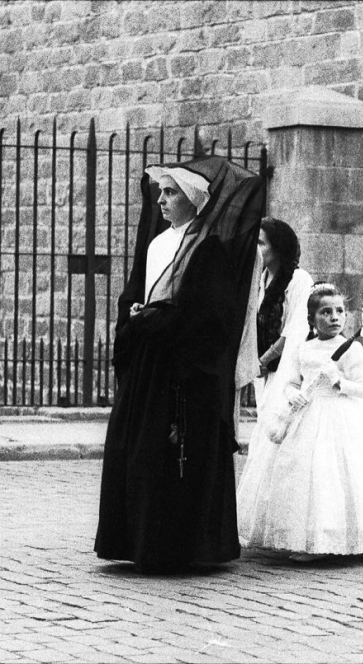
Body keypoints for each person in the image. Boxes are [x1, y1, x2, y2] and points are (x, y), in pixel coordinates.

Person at [95, 156, 263, 572]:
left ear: (193, 200)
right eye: (161, 192)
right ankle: (138, 541)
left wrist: (154, 319)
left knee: (174, 450)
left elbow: (208, 313)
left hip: (184, 366)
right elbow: (140, 292)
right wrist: (135, 316)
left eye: (171, 193)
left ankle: (181, 547)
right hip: (149, 360)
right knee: (136, 447)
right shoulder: (157, 243)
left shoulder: (209, 247)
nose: (161, 200)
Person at [237, 283, 363, 562]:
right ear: (312, 319)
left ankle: (345, 537)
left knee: (336, 474)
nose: (334, 317)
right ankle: (310, 539)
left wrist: (339, 382)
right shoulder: (303, 349)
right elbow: (291, 381)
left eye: (339, 311)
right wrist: (292, 394)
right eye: (326, 312)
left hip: (342, 417)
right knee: (306, 475)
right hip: (307, 416)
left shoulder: (352, 349)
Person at [236, 219, 313, 539]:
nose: (257, 249)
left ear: (278, 247)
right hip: (265, 372)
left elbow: (294, 331)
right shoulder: (259, 279)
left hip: (287, 371)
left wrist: (262, 360)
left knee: (279, 434)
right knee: (263, 437)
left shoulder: (298, 280)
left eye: (262, 243)